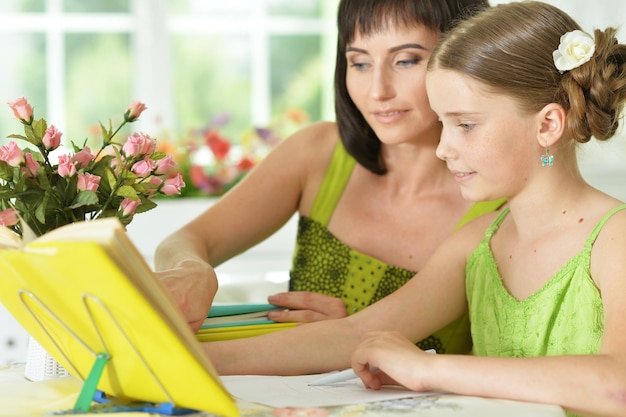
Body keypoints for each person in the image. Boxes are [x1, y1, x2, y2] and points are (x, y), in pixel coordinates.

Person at [201, 2, 626, 416]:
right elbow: (355, 333)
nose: (443, 148)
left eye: (465, 124)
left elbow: (618, 385)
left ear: (548, 125)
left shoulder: (616, 240)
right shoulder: (478, 242)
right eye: (442, 123)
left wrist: (429, 369)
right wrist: (189, 355)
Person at [155, 0, 502, 354]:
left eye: (406, 60)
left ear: (468, 56)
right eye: (360, 63)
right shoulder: (317, 153)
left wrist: (337, 338)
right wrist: (193, 269)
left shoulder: (498, 205)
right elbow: (181, 243)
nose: (378, 90)